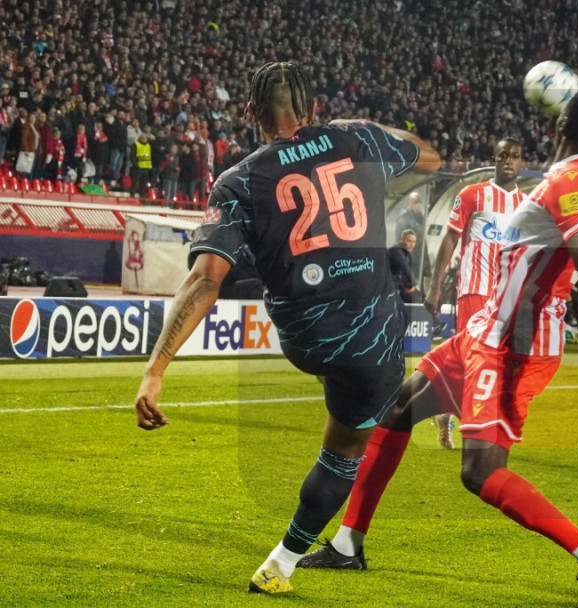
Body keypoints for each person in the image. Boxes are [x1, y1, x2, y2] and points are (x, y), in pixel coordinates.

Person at [299, 85, 578, 604]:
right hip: (482, 333)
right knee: (396, 410)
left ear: (561, 122)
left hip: (513, 348)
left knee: (480, 472)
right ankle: (348, 544)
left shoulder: (574, 180)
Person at [132, 61, 440, 595]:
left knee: (327, 363)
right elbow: (429, 157)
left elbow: (204, 280)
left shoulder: (238, 180)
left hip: (306, 336)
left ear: (251, 112)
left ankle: (295, 563)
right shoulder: (359, 139)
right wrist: (365, 127)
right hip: (370, 336)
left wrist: (155, 370)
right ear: (314, 107)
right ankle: (281, 564)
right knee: (344, 451)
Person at [424, 136, 525, 449]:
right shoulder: (472, 195)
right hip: (475, 291)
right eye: (502, 155)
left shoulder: (527, 206)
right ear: (494, 159)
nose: (508, 161)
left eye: (514, 156)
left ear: (521, 162)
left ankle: (446, 412)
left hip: (507, 298)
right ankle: (475, 428)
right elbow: (450, 239)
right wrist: (435, 285)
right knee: (474, 362)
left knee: (501, 364)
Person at [388, 229, 422, 303]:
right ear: (402, 240)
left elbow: (408, 270)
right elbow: (405, 267)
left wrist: (411, 286)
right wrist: (414, 284)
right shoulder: (396, 250)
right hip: (389, 286)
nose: (412, 244)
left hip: (397, 285)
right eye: (409, 241)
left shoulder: (407, 253)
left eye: (414, 242)